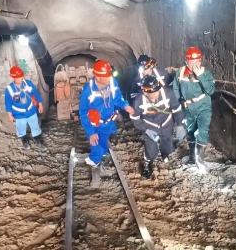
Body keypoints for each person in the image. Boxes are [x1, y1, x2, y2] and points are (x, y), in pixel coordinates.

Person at [79, 59, 134, 187]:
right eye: (106, 76)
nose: (109, 78)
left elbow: (118, 98)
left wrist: (125, 105)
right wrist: (91, 132)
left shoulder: (112, 82)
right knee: (96, 149)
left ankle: (101, 166)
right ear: (98, 77)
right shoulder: (87, 90)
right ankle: (95, 175)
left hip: (107, 124)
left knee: (103, 147)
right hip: (94, 125)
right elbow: (83, 112)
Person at [130, 75, 187, 179]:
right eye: (152, 93)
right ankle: (148, 163)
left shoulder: (168, 93)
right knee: (151, 151)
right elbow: (135, 118)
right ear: (145, 92)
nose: (156, 94)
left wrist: (180, 125)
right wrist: (146, 130)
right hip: (150, 127)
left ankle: (165, 153)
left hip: (166, 125)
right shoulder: (139, 100)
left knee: (168, 147)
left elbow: (176, 109)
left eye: (157, 91)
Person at [172, 47, 216, 172]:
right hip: (188, 108)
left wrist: (200, 76)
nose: (194, 64)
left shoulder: (205, 73)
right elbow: (175, 89)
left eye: (197, 61)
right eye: (191, 62)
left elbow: (210, 91)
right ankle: (192, 157)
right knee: (190, 131)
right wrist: (178, 104)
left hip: (203, 107)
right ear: (187, 62)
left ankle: (199, 160)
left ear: (200, 61)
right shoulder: (180, 73)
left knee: (202, 130)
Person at [5, 65, 46, 150]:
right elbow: (8, 103)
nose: (21, 78)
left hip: (31, 110)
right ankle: (24, 140)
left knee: (35, 126)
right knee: (21, 128)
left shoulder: (28, 84)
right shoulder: (9, 89)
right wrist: (10, 114)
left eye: (21, 76)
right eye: (19, 77)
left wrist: (40, 104)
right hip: (18, 113)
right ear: (13, 78)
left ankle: (38, 141)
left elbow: (36, 94)